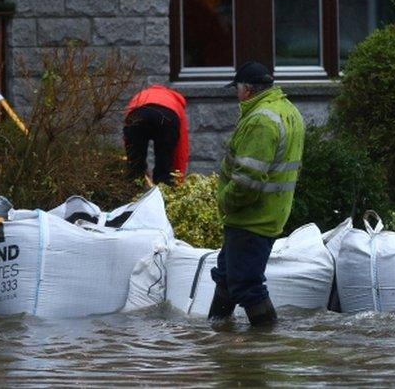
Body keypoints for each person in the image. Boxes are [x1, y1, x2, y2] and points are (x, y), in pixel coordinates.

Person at [208, 61, 305, 326]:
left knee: (247, 285)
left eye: (237, 89)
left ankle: (265, 347)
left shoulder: (261, 120)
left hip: (251, 217)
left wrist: (226, 201)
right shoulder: (286, 110)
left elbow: (248, 181)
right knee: (228, 277)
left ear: (248, 90)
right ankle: (216, 331)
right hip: (266, 213)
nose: (236, 94)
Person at [123, 84, 189, 185]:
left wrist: (132, 156)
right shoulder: (176, 103)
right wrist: (179, 176)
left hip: (138, 113)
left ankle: (134, 191)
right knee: (164, 169)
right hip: (168, 116)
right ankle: (163, 192)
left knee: (135, 168)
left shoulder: (140, 95)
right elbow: (181, 147)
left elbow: (129, 134)